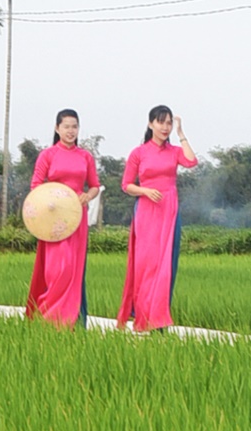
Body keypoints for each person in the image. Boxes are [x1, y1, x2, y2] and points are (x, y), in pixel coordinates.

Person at [117, 107, 198, 332]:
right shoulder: (139, 153)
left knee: (166, 267)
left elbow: (191, 162)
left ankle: (158, 320)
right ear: (151, 124)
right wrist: (145, 191)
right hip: (145, 212)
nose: (165, 127)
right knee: (145, 266)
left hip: (169, 212)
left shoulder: (174, 151)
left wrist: (181, 134)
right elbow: (126, 185)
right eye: (161, 122)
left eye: (169, 123)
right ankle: (142, 316)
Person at [25, 110, 101, 326]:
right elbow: (36, 186)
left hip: (77, 218)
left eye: (74, 126)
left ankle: (67, 321)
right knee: (58, 269)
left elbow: (94, 186)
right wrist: (53, 199)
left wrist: (88, 195)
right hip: (53, 219)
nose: (70, 131)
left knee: (73, 269)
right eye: (66, 126)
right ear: (57, 128)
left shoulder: (85, 156)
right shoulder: (47, 155)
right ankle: (48, 315)